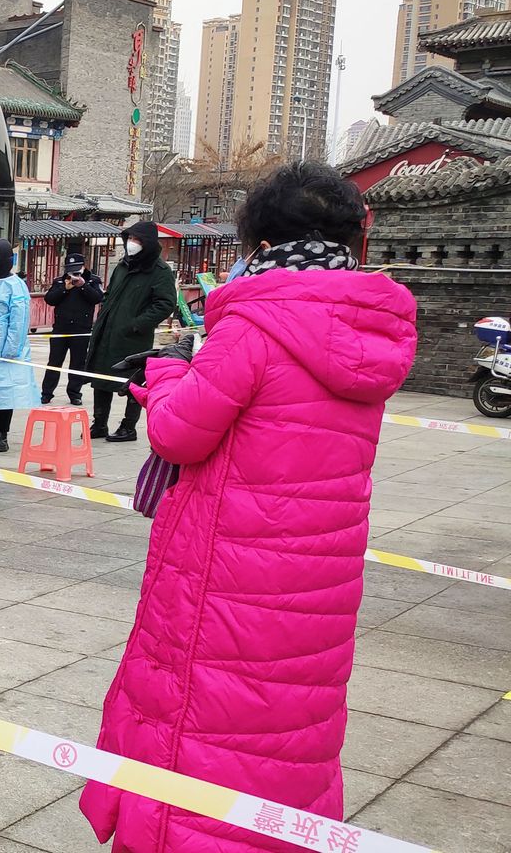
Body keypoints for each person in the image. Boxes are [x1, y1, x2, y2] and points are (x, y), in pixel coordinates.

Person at [82, 162, 416, 852]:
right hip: (316, 580)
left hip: (229, 572)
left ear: (261, 244)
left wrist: (167, 371)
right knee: (288, 728)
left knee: (205, 726)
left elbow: (178, 432)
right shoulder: (367, 329)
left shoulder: (255, 325)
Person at [84, 221, 179, 442]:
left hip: (134, 337)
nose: (132, 243)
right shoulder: (123, 265)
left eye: (137, 240)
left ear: (148, 243)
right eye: (130, 238)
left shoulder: (159, 271)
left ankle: (128, 426)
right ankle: (99, 423)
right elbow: (110, 294)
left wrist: (137, 324)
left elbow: (165, 304)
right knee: (101, 378)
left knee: (133, 381)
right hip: (108, 331)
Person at [0, 239, 40, 454]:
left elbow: (19, 320)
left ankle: (2, 434)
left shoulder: (15, 285)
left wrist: (11, 349)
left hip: (4, 346)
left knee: (4, 393)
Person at [40, 252, 103, 406]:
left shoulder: (93, 280)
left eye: (76, 269)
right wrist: (65, 289)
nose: (73, 273)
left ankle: (74, 393)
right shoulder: (60, 281)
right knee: (54, 362)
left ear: (83, 267)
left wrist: (83, 286)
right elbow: (49, 299)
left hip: (81, 329)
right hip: (60, 329)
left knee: (77, 363)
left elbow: (98, 298)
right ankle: (47, 393)